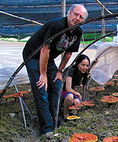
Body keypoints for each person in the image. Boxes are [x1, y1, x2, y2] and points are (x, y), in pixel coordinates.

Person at [22, 4, 88, 134]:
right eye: (76, 14)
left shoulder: (78, 31)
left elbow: (69, 53)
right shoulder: (56, 26)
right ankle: (47, 128)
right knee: (41, 88)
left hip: (49, 58)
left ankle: (55, 118)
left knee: (57, 85)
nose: (77, 18)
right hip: (34, 55)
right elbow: (44, 50)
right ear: (69, 13)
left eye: (81, 17)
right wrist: (43, 74)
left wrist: (59, 71)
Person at [62, 54, 90, 119]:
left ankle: (72, 113)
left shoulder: (82, 72)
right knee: (70, 97)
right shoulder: (71, 70)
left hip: (71, 91)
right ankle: (65, 114)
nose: (85, 67)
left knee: (77, 102)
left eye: (87, 65)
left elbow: (84, 85)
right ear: (77, 64)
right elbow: (68, 88)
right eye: (83, 65)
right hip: (62, 91)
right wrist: (77, 93)